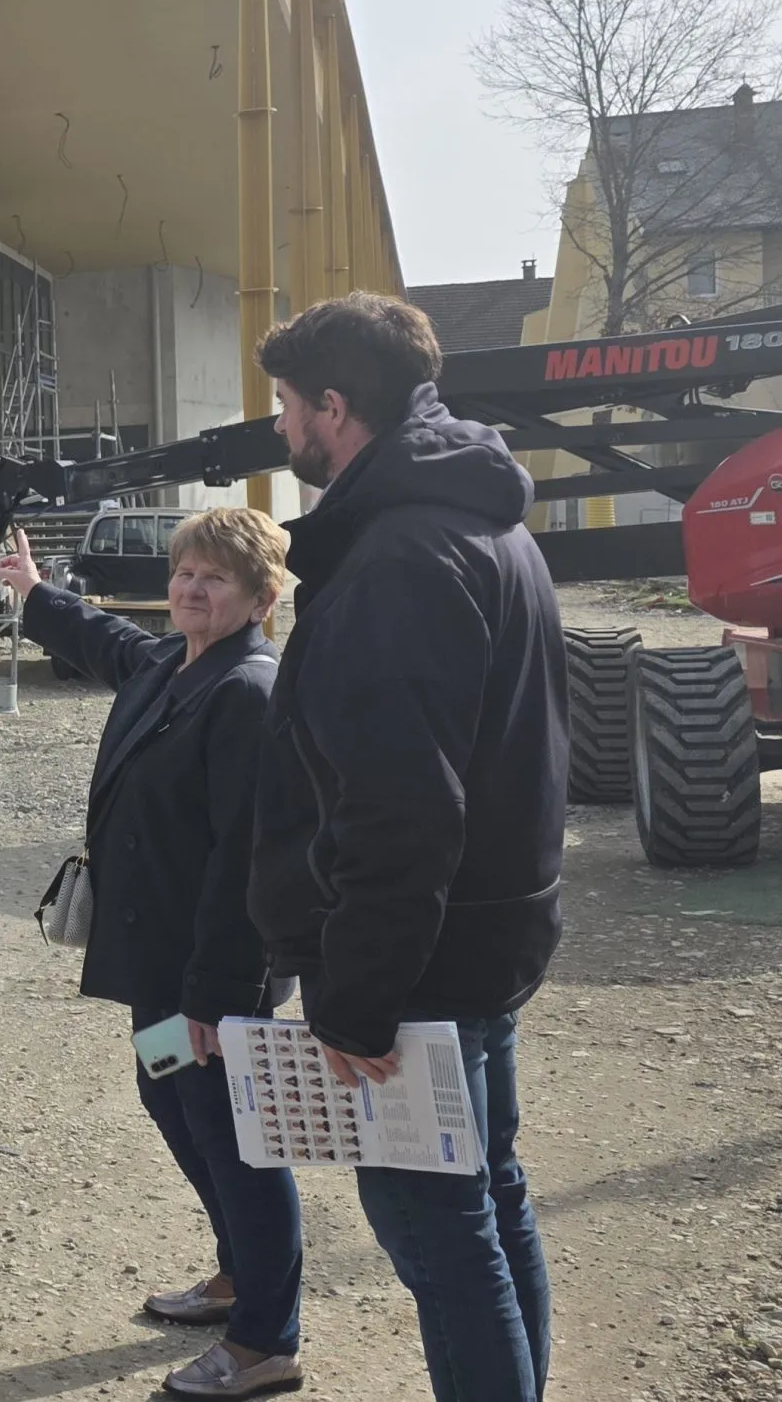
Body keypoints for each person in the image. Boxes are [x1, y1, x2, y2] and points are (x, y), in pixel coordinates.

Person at [252, 293, 566, 1402]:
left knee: (440, 1229)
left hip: (420, 966)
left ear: (334, 406)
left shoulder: (396, 557)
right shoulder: (490, 524)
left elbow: (399, 808)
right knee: (490, 1194)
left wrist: (354, 995)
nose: (280, 427)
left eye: (287, 403)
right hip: (491, 935)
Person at [0, 510, 304, 1400]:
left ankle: (266, 1340)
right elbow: (112, 643)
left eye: (215, 578)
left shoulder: (247, 691)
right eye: (184, 573)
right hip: (157, 965)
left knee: (238, 1139)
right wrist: (37, 595)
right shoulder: (177, 664)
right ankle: (241, 1271)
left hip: (210, 975)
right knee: (165, 1091)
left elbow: (245, 860)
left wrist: (216, 994)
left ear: (261, 596)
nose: (191, 590)